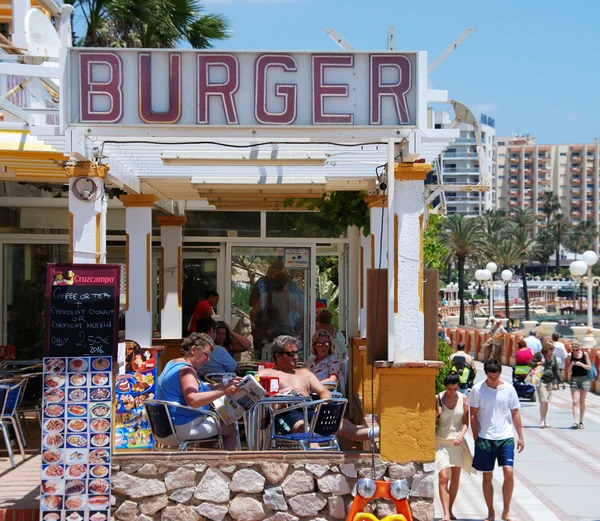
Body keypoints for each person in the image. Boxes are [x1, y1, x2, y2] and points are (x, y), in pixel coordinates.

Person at [258, 335, 376, 442]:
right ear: (278, 355)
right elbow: (249, 387)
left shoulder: (304, 372)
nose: (295, 357)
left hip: (310, 409)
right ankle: (321, 461)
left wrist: (323, 404)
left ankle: (381, 433)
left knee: (343, 425)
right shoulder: (268, 373)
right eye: (291, 354)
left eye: (296, 352)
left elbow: (324, 391)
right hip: (287, 412)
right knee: (307, 431)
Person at [156, 333, 240, 450]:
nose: (208, 359)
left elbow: (195, 386)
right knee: (230, 428)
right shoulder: (186, 371)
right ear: (193, 350)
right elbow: (193, 399)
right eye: (206, 355)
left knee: (215, 426)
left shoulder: (172, 363)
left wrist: (219, 386)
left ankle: (206, 463)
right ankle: (226, 466)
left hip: (165, 428)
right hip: (181, 427)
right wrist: (223, 392)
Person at [468, 358, 524, 521]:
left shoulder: (509, 389)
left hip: (505, 437)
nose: (493, 380)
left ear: (500, 373)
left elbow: (515, 413)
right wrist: (476, 436)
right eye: (490, 377)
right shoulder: (478, 390)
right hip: (485, 438)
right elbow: (473, 414)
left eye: (496, 377)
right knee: (487, 476)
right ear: (486, 374)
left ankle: (506, 510)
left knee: (508, 472)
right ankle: (491, 512)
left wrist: (520, 436)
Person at [436, 371, 475, 521]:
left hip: (457, 442)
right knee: (443, 477)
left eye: (455, 389)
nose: (452, 392)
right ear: (445, 387)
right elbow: (429, 420)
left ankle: (450, 511)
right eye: (449, 389)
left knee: (456, 478)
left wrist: (461, 435)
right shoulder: (438, 398)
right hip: (441, 441)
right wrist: (436, 413)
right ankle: (446, 514)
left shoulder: (464, 399)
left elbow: (466, 423)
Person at [530, 340, 562, 428]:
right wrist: (538, 363)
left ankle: (544, 420)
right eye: (551, 348)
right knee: (543, 400)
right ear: (546, 348)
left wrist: (560, 381)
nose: (552, 350)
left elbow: (556, 370)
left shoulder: (553, 357)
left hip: (549, 381)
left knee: (546, 402)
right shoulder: (539, 355)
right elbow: (530, 363)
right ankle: (542, 421)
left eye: (553, 348)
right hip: (541, 381)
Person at [565, 341, 592, 430]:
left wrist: (581, 364)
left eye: (576, 347)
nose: (575, 349)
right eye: (574, 347)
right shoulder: (570, 355)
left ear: (579, 347)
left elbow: (589, 367)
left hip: (584, 379)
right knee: (575, 401)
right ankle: (575, 421)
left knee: (582, 401)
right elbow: (568, 370)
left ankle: (581, 421)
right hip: (574, 379)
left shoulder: (585, 354)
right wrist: (572, 365)